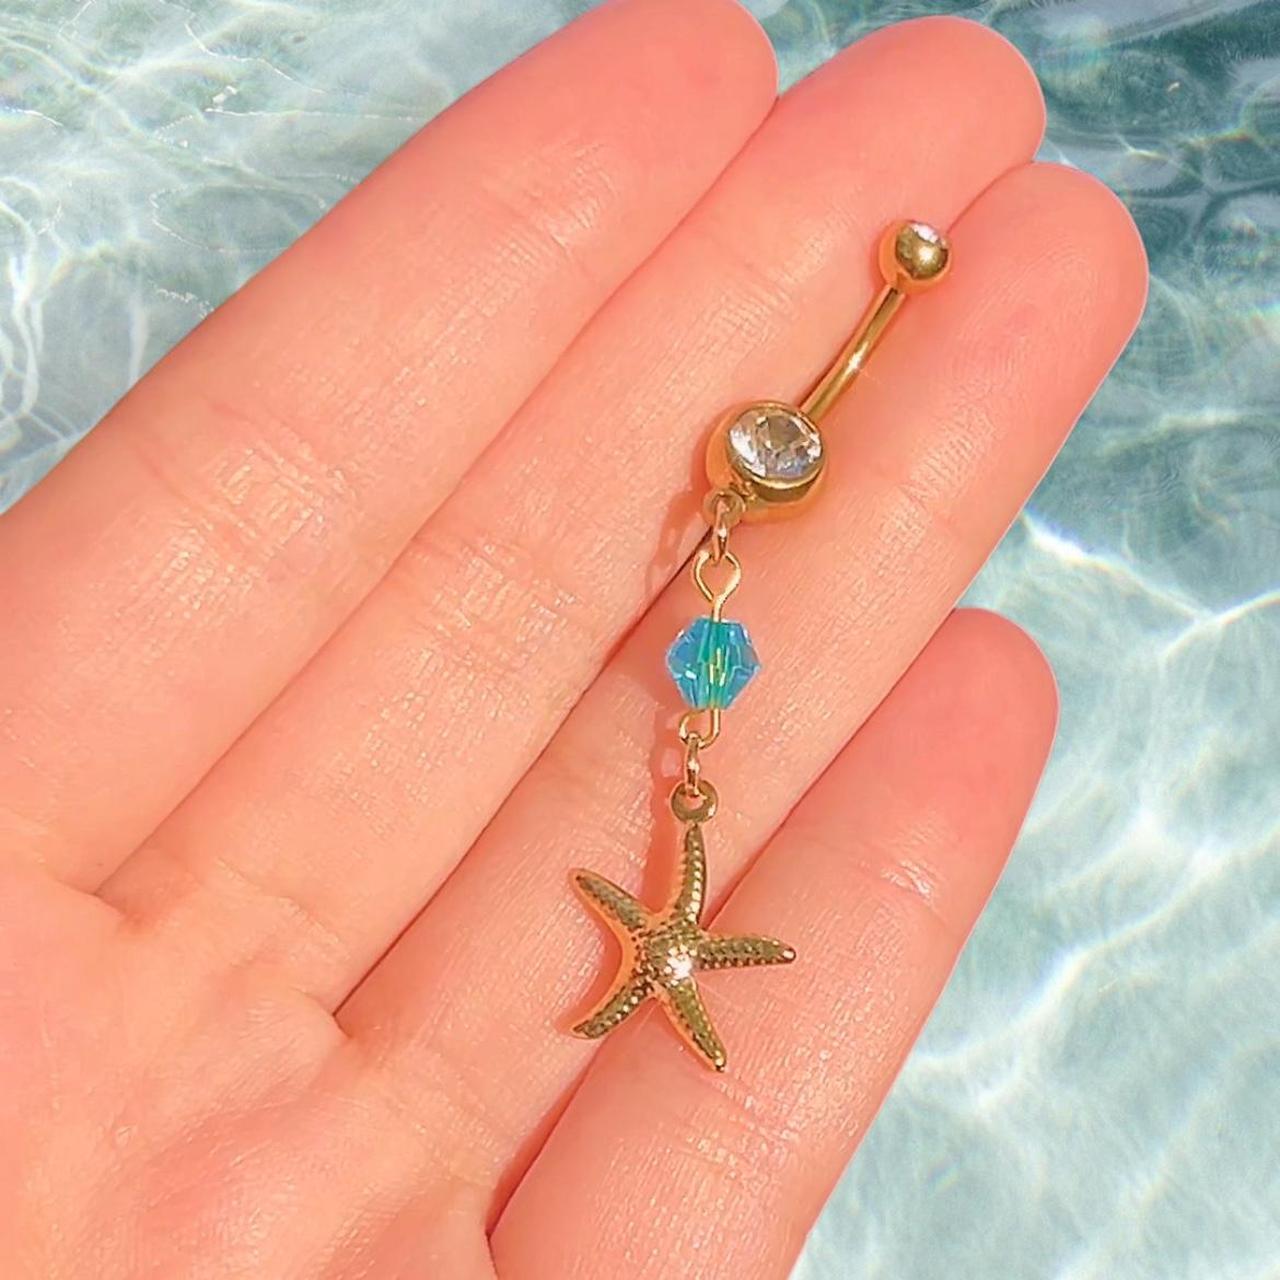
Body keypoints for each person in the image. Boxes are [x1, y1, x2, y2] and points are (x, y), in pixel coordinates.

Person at [0, 1, 1145, 1275]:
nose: (666, 943)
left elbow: (677, 931)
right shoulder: (669, 923)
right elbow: (672, 931)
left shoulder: (672, 914)